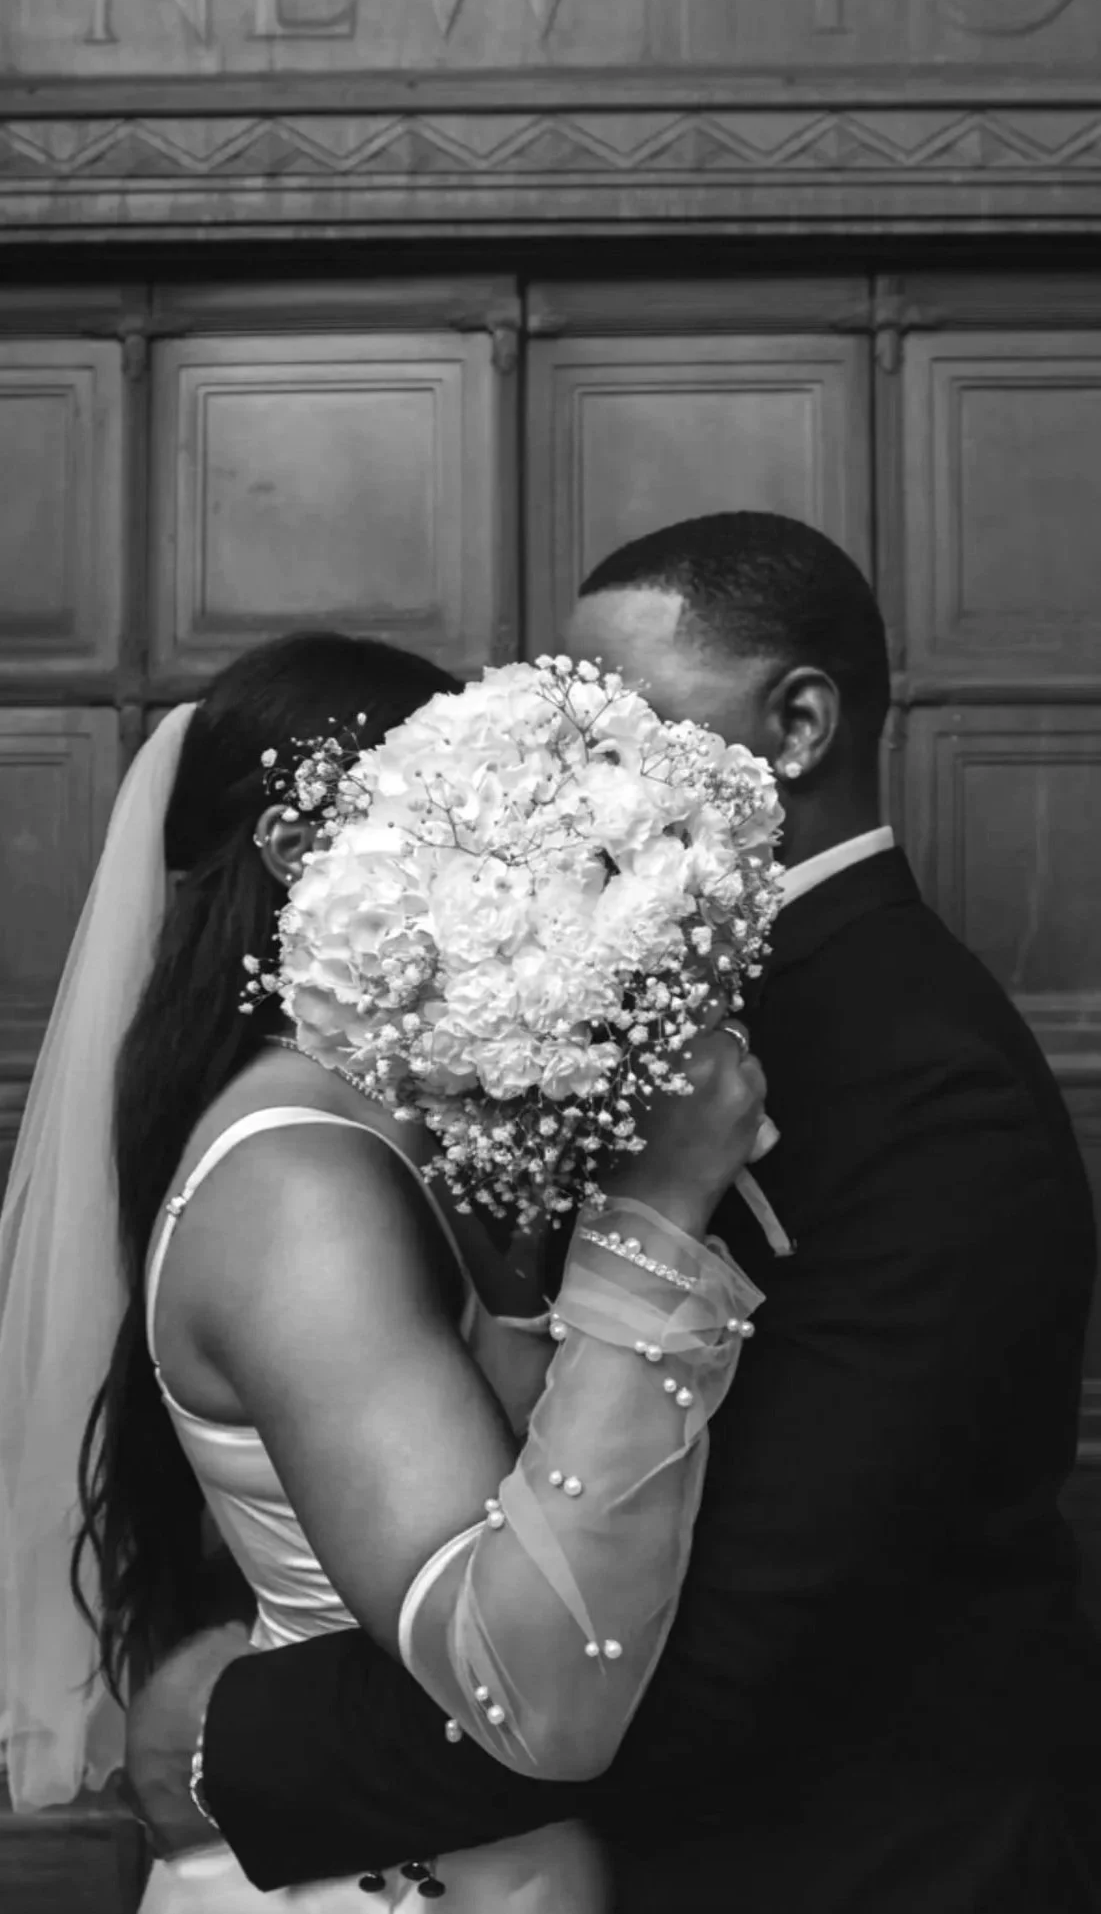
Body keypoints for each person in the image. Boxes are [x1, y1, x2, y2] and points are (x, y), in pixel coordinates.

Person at [127, 514, 1101, 1913]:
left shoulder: (927, 1087)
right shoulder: (645, 1015)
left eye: (618, 723)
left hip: (872, 1864)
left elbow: (738, 1639)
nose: (579, 778)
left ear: (799, 723)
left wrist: (246, 1738)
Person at [0, 628, 770, 1913]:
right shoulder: (300, 1186)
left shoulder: (399, 1129)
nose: (523, 880)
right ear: (308, 859)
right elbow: (533, 1687)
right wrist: (660, 1209)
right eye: (468, 833)